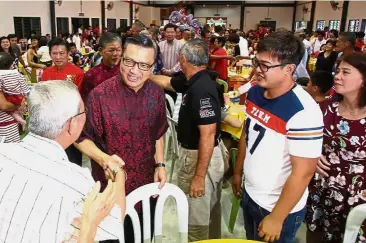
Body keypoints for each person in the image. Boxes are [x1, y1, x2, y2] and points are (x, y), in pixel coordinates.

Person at [0, 80, 126, 243]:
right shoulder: (76, 182)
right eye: (83, 112)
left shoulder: (3, 152)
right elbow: (115, 226)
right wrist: (119, 176)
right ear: (72, 124)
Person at [232, 30, 324, 243]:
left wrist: (277, 217)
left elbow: (304, 172)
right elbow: (247, 132)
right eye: (257, 62)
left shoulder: (303, 111)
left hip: (278, 207)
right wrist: (237, 171)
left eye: (265, 65)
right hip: (251, 193)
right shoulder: (255, 92)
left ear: (289, 69)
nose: (257, 70)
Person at [75, 35, 168, 242]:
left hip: (145, 185)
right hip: (110, 189)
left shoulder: (156, 93)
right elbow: (81, 138)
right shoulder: (100, 96)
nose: (135, 71)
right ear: (122, 59)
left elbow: (158, 132)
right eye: (129, 62)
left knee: (142, 235)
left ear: (153, 67)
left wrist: (160, 164)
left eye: (144, 65)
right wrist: (103, 159)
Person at [150, 39, 224, 241]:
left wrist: (199, 177)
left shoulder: (201, 90)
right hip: (197, 156)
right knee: (206, 213)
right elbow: (167, 82)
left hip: (198, 158)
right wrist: (145, 75)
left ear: (183, 59)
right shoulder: (194, 79)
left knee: (196, 217)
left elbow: (207, 135)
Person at [306, 53, 366, 243]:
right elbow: (307, 142)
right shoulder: (325, 109)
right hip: (323, 188)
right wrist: (313, 158)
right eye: (337, 71)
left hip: (359, 195)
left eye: (346, 72)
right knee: (316, 234)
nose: (338, 76)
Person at [41, 38, 84, 166]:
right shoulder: (46, 73)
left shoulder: (78, 73)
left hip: (70, 125)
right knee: (54, 161)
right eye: (55, 53)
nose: (58, 57)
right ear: (50, 54)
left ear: (68, 54)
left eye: (62, 53)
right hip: (51, 125)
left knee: (73, 161)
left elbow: (78, 100)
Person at [81, 32, 122, 101]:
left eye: (118, 50)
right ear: (100, 51)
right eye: (111, 50)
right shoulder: (91, 75)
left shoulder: (127, 72)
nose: (115, 54)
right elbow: (86, 101)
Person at [0, 53, 30, 131]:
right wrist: (25, 96)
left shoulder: (0, 75)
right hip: (19, 97)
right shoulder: (17, 74)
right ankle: (21, 121)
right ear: (11, 65)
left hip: (8, 97)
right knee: (15, 110)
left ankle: (20, 121)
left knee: (11, 112)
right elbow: (24, 87)